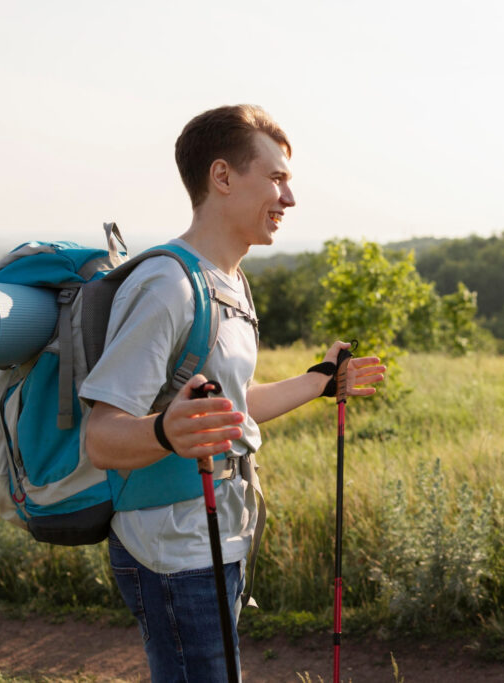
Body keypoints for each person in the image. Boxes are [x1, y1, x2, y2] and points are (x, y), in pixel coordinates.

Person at [80, 104, 385, 682]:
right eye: (276, 178)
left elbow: (233, 407)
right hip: (172, 546)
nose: (289, 198)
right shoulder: (166, 286)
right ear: (222, 176)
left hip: (222, 532)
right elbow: (101, 438)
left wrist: (320, 380)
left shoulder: (230, 282)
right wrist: (164, 431)